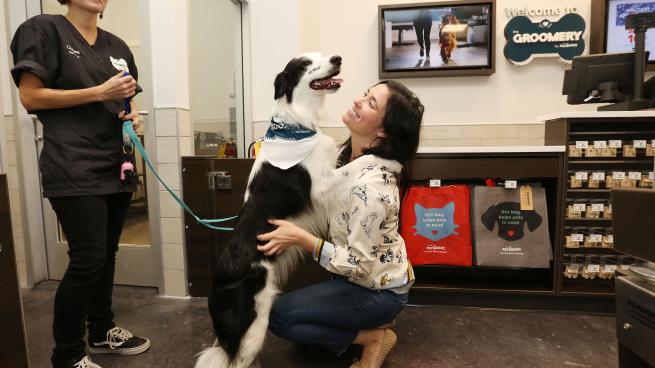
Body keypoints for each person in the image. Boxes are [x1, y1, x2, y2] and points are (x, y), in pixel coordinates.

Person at [10, 1, 150, 367]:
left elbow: (126, 101)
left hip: (115, 165)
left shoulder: (118, 47)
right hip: (73, 165)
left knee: (105, 256)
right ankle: (68, 355)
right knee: (87, 260)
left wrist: (132, 118)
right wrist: (98, 93)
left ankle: (102, 331)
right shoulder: (44, 29)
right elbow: (30, 97)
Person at [256, 80, 424, 368]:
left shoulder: (369, 189)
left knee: (281, 318)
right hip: (362, 280)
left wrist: (299, 237)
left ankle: (372, 339)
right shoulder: (351, 158)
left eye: (371, 103)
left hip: (376, 292)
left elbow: (358, 265)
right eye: (365, 94)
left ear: (383, 131)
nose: (359, 100)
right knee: (305, 339)